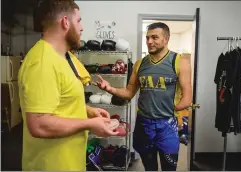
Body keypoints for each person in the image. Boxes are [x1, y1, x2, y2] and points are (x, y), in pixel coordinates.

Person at [18, 0, 118, 171]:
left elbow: (62, 98)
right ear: (65, 22)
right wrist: (89, 124)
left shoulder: (64, 57)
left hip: (70, 161)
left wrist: (88, 111)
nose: (81, 27)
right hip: (51, 165)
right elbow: (39, 124)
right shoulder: (42, 63)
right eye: (78, 20)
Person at [94, 22, 192, 171]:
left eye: (154, 37)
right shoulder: (140, 64)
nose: (149, 41)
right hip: (144, 125)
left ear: (166, 39)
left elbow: (187, 98)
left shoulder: (179, 62)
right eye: (147, 38)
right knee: (149, 168)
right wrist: (110, 89)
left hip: (167, 126)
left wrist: (172, 111)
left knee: (169, 168)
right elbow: (129, 92)